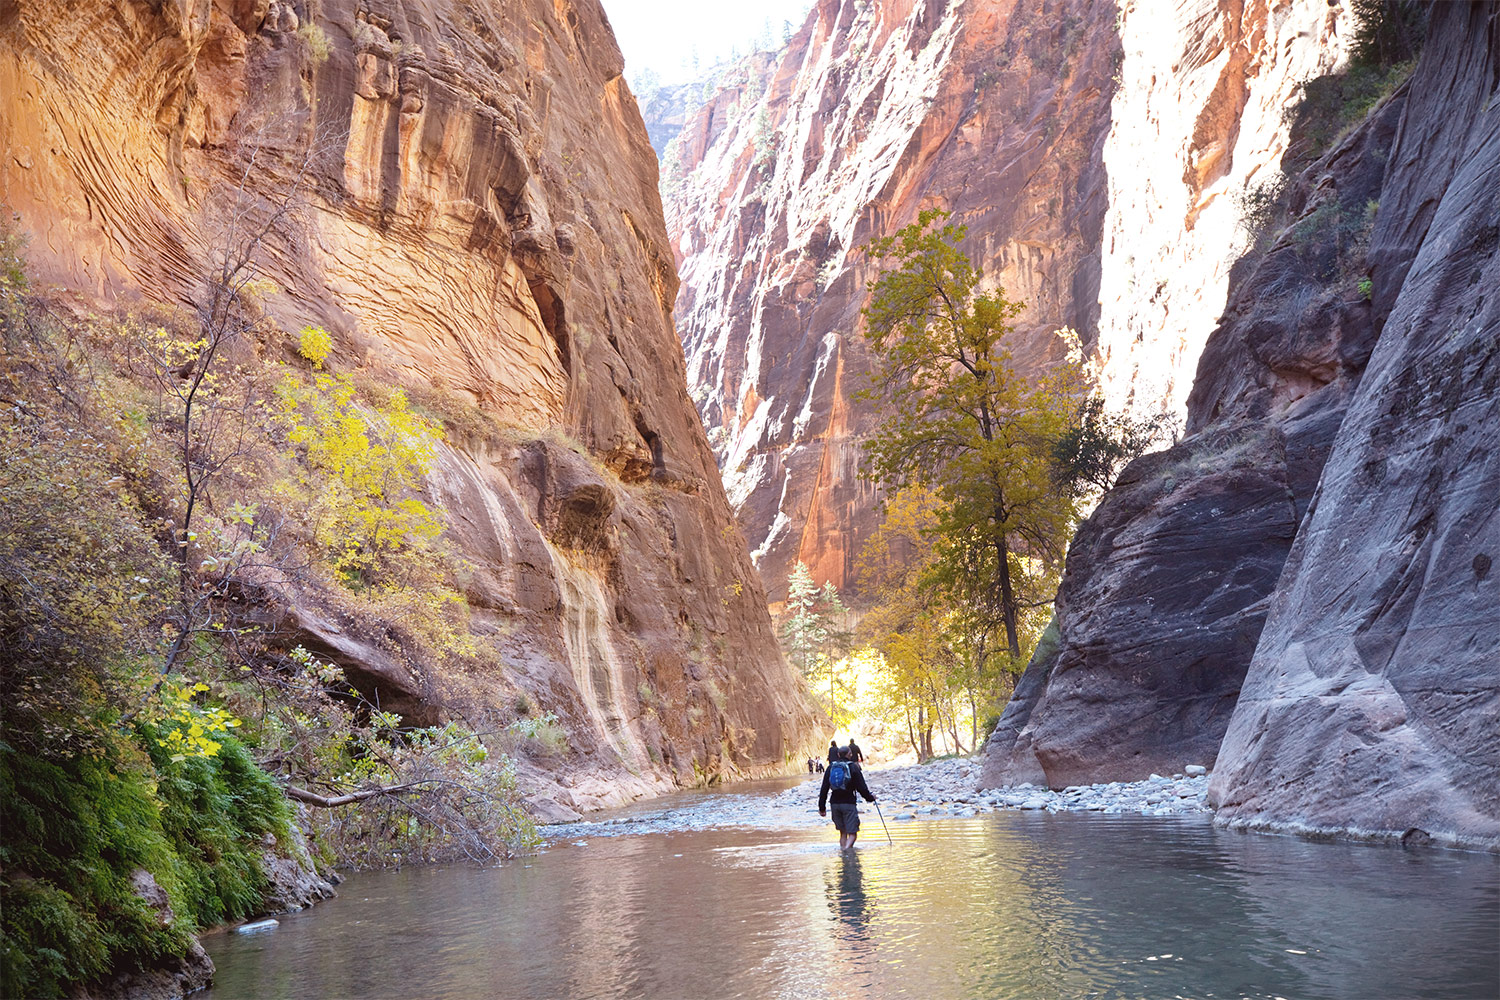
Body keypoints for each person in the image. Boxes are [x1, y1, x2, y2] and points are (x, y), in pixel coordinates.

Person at [818, 748, 876, 850]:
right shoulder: (853, 767)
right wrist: (870, 798)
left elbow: (824, 788)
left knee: (843, 832)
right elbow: (861, 787)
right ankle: (846, 853)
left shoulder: (831, 767)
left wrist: (822, 807)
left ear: (838, 755)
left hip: (834, 803)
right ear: (849, 754)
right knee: (853, 834)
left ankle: (843, 855)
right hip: (848, 803)